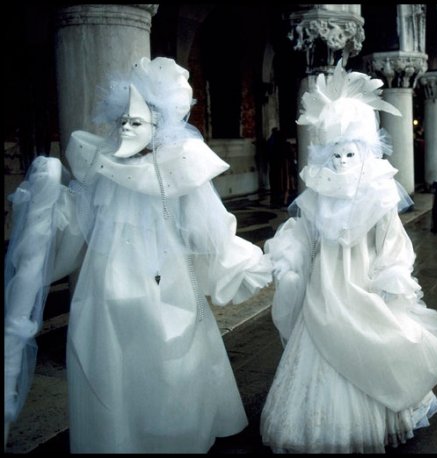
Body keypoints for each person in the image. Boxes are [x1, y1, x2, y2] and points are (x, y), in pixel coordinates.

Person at [4, 57, 272, 453]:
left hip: (167, 284)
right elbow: (79, 222)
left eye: (137, 121)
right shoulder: (102, 169)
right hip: (104, 288)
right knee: (111, 369)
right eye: (122, 121)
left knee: (166, 367)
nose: (126, 129)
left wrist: (243, 260)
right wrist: (48, 205)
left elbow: (208, 226)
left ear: (160, 123)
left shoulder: (178, 169)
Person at [260, 61, 437, 453]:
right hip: (324, 289)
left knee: (375, 341)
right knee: (319, 348)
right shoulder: (316, 194)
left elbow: (394, 241)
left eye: (350, 153)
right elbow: (303, 233)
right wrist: (287, 256)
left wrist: (393, 276)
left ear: (364, 151)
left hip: (363, 284)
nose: (343, 162)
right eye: (336, 154)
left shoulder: (380, 195)